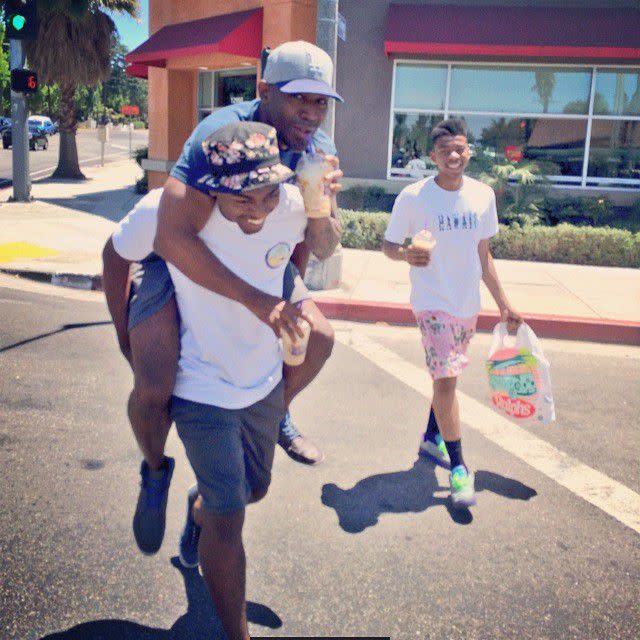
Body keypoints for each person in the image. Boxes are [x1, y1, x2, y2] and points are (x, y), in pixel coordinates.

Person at [102, 40, 343, 555]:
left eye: (321, 100)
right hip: (181, 254)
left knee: (318, 337)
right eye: (298, 97)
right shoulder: (219, 137)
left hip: (261, 261)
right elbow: (171, 236)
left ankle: (270, 411)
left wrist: (314, 226)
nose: (311, 111)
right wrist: (126, 334)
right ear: (263, 91)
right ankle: (154, 468)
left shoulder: (315, 150)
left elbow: (306, 244)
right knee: (155, 381)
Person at [171, 122, 317, 640]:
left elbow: (317, 242)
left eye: (268, 193)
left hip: (262, 386)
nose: (257, 209)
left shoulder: (293, 205)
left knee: (254, 488)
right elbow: (121, 252)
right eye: (241, 199)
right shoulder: (186, 219)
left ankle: (197, 510)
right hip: (201, 387)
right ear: (213, 191)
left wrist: (328, 210)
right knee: (230, 517)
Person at [382, 118, 523, 509]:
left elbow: (484, 254)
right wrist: (405, 253)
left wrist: (504, 303)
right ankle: (459, 469)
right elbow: (388, 245)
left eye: (460, 149)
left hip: (466, 305)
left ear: (469, 151)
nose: (455, 156)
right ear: (433, 156)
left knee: (448, 378)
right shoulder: (414, 196)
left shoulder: (482, 197)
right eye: (446, 151)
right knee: (446, 381)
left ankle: (431, 439)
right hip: (432, 303)